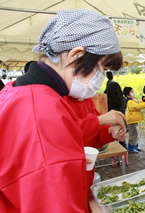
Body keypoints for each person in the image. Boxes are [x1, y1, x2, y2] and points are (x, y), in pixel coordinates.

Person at [0, 9, 124, 212]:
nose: (100, 78)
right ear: (75, 56)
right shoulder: (44, 113)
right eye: (101, 69)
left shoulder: (17, 90)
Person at [123, 86, 145, 153]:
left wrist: (144, 99)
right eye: (132, 92)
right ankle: (131, 147)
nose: (134, 92)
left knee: (136, 133)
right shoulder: (130, 102)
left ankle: (135, 145)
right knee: (133, 134)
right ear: (128, 95)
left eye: (133, 91)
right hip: (131, 121)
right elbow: (138, 106)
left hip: (135, 120)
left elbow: (139, 102)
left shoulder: (134, 100)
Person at [106, 81, 127, 149]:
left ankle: (114, 157)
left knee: (111, 141)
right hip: (121, 122)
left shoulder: (106, 100)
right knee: (122, 141)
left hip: (110, 123)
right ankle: (124, 155)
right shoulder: (124, 100)